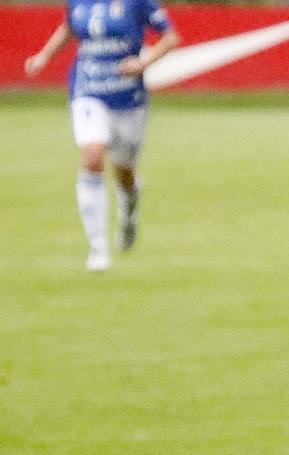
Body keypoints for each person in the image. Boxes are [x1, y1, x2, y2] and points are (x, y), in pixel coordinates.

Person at [24, 0, 180, 272]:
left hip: (128, 99)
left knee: (124, 172)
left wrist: (144, 62)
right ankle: (98, 249)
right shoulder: (78, 2)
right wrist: (44, 56)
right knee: (93, 155)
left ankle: (129, 205)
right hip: (88, 91)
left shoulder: (137, 3)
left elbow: (170, 37)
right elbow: (69, 27)